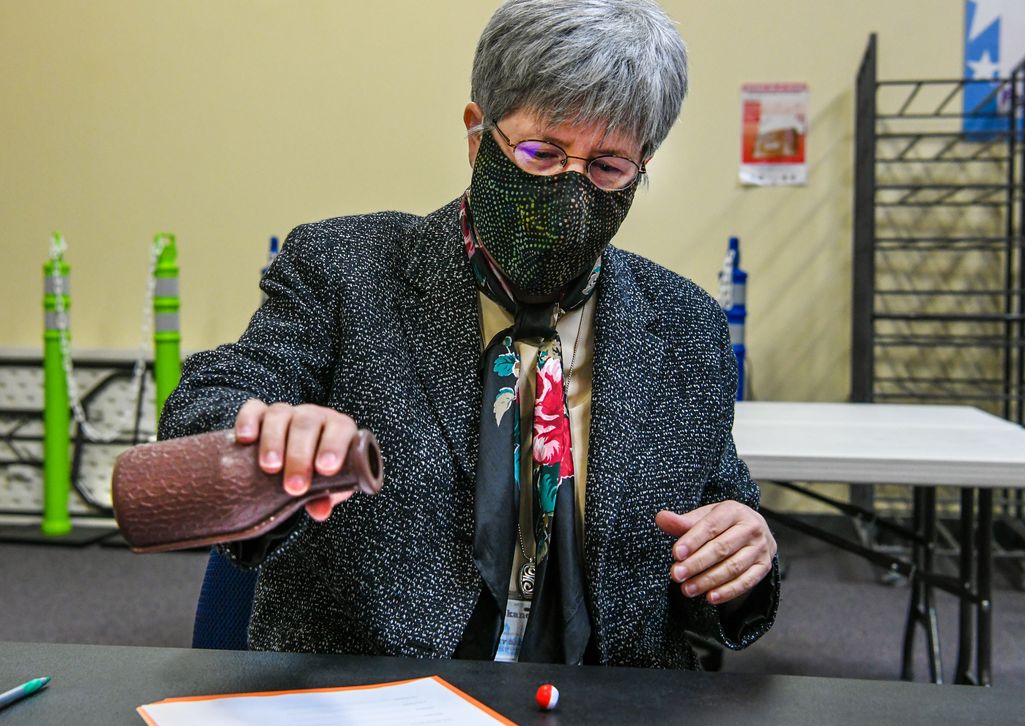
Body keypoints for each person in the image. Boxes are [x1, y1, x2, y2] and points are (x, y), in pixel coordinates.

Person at [160, 0, 778, 669]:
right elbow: (209, 404)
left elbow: (720, 531)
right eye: (542, 153)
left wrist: (743, 553)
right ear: (477, 135)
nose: (570, 197)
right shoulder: (346, 271)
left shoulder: (685, 327)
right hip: (375, 711)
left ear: (643, 163)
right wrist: (264, 431)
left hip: (608, 724)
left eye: (606, 168)